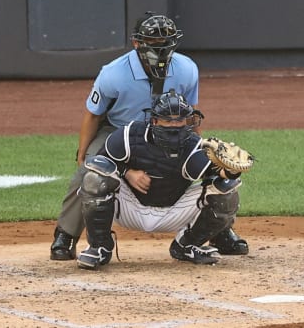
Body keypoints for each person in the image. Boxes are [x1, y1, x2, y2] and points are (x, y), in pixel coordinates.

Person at [50, 12, 248, 261]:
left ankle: (221, 232)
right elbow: (93, 115)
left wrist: (199, 146)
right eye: (154, 43)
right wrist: (83, 154)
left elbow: (190, 114)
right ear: (137, 43)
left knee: (209, 172)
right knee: (90, 172)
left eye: (167, 42)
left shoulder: (187, 69)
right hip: (118, 130)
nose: (162, 48)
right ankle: (66, 235)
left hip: (171, 128)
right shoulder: (113, 73)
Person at [77, 90, 245, 269]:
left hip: (173, 211)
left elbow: (219, 176)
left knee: (227, 189)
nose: (175, 125)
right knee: (95, 178)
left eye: (180, 120)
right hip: (129, 207)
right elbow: (99, 163)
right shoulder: (129, 137)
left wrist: (233, 170)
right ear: (155, 120)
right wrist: (127, 172)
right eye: (168, 120)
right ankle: (100, 247)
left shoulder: (193, 145)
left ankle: (187, 245)